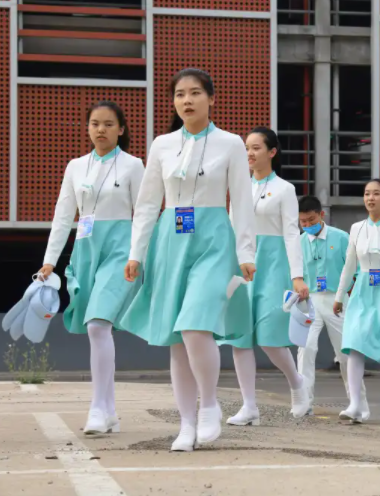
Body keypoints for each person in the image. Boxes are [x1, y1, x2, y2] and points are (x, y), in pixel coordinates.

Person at [121, 68, 256, 452]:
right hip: (170, 240)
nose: (187, 100)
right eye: (180, 94)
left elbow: (241, 201)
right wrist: (136, 252)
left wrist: (246, 252)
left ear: (211, 98)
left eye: (195, 93)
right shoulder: (161, 144)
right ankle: (185, 424)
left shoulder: (230, 144)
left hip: (214, 239)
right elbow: (147, 204)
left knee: (197, 326)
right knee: (177, 340)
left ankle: (209, 404)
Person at [39, 101, 144, 435]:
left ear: (121, 130)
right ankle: (109, 410)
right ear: (87, 128)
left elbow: (144, 213)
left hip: (120, 250)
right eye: (95, 124)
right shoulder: (75, 166)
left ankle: (98, 408)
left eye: (109, 124)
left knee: (98, 325)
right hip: (86, 250)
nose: (101, 129)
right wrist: (49, 261)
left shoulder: (132, 166)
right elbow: (62, 216)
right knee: (94, 328)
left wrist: (139, 255)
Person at [222, 127, 312, 426]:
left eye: (256, 147)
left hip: (274, 266)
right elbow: (232, 229)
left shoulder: (285, 189)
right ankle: (249, 406)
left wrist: (297, 276)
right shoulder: (238, 187)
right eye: (247, 147)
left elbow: (291, 233)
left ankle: (297, 383)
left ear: (272, 152)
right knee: (240, 337)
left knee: (272, 337)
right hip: (243, 264)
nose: (250, 153)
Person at [335, 179, 380, 424]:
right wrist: (340, 295)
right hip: (363, 290)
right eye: (367, 194)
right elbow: (349, 265)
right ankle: (355, 403)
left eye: (376, 194)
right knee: (354, 344)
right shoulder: (356, 228)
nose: (371, 198)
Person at [297, 196, 369, 419]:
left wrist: (350, 297)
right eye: (303, 222)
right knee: (305, 349)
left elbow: (355, 270)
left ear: (322, 215)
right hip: (309, 300)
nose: (308, 225)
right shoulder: (299, 242)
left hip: (336, 300)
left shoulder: (341, 238)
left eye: (311, 220)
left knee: (345, 352)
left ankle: (359, 405)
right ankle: (303, 402)